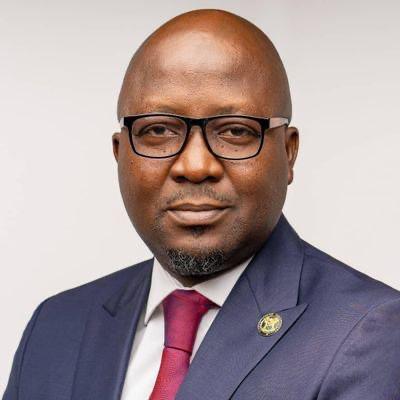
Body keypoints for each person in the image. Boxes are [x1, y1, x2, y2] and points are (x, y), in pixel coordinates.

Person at [3, 9, 400, 400]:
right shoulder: (55, 328)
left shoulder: (371, 333)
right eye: (158, 129)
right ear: (120, 153)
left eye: (236, 131)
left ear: (289, 152)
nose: (195, 166)